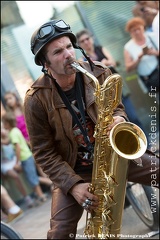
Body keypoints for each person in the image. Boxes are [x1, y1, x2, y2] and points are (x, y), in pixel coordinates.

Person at [23, 19, 159, 239]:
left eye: (69, 47)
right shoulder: (35, 100)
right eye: (58, 52)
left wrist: (118, 119)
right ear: (45, 64)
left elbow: (118, 108)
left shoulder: (98, 72)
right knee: (59, 233)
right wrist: (74, 186)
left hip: (114, 155)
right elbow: (43, 153)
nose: (68, 54)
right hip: (74, 169)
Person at [76, 28, 147, 133]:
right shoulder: (82, 60)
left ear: (92, 38)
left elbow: (112, 62)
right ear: (79, 45)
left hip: (118, 89)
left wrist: (101, 65)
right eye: (82, 41)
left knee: (133, 117)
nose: (86, 42)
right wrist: (104, 64)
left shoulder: (100, 49)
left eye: (87, 39)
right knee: (118, 123)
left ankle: (147, 145)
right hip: (105, 97)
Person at [1, 112, 47, 205]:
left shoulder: (13, 133)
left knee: (32, 178)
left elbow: (17, 147)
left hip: (25, 158)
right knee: (32, 178)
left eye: (3, 123)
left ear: (7, 123)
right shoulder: (15, 130)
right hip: (27, 156)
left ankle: (43, 194)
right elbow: (6, 142)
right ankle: (41, 194)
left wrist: (17, 162)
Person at [1, 122, 34, 208]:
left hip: (14, 160)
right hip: (5, 163)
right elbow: (5, 143)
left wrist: (17, 163)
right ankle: (27, 198)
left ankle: (36, 190)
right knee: (15, 176)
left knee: (27, 168)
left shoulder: (10, 134)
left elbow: (7, 142)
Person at [124, 17, 159, 94]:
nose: (137, 32)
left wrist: (154, 52)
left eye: (138, 29)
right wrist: (138, 59)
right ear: (130, 33)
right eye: (134, 30)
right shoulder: (128, 47)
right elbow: (128, 68)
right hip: (149, 80)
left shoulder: (152, 36)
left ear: (143, 27)